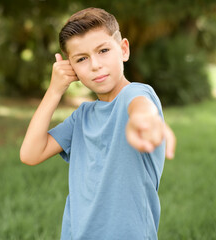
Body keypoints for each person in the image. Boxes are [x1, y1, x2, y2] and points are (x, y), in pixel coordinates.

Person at [20, 7, 176, 240]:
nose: (95, 65)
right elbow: (30, 154)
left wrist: (145, 119)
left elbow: (140, 106)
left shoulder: (136, 93)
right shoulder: (81, 117)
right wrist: (54, 91)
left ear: (123, 49)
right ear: (71, 68)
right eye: (82, 59)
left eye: (103, 50)